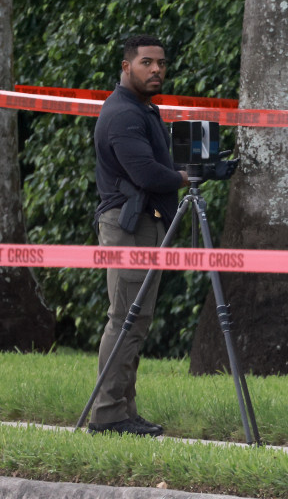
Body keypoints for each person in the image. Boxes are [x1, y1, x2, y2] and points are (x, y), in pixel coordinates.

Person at [88, 35, 189, 436]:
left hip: (143, 222)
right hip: (129, 226)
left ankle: (122, 411)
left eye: (161, 63)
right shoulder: (123, 115)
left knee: (136, 319)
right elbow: (146, 174)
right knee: (126, 319)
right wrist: (189, 177)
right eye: (147, 63)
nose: (156, 70)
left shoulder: (142, 110)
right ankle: (109, 414)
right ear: (126, 67)